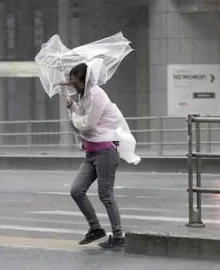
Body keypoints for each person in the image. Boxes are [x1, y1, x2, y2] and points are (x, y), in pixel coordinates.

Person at [65, 63, 125, 248]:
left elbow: (89, 124)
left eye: (75, 80)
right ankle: (96, 229)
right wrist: (73, 106)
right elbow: (84, 116)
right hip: (91, 152)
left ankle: (118, 236)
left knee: (106, 195)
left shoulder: (97, 95)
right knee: (76, 191)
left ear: (85, 79)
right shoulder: (84, 95)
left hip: (105, 150)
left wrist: (75, 122)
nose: (72, 84)